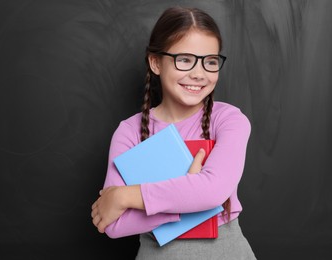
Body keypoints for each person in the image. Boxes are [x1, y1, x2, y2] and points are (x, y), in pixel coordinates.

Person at [91, 6, 256, 259]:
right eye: (185, 60)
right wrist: (188, 198)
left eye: (210, 61)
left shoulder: (229, 119)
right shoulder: (130, 131)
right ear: (155, 62)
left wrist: (127, 196)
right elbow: (112, 224)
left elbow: (213, 191)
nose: (199, 74)